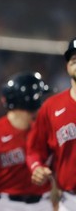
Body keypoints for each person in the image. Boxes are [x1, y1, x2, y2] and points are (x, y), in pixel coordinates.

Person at [0, 72, 54, 211]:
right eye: (40, 97)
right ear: (30, 101)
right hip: (6, 205)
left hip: (43, 204)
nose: (43, 103)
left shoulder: (46, 129)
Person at [26, 37, 76, 211]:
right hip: (70, 201)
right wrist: (37, 167)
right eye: (73, 58)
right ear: (67, 65)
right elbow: (34, 149)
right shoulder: (52, 107)